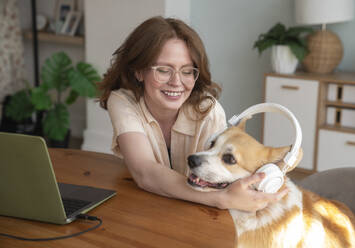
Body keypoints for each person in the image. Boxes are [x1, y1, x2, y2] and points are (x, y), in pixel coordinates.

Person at [99, 16, 288, 212]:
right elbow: (144, 172)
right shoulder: (122, 102)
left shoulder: (209, 111)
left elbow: (217, 182)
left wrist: (224, 197)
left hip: (198, 214)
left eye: (187, 72)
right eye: (164, 70)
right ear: (138, 71)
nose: (176, 82)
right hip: (146, 206)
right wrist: (221, 199)